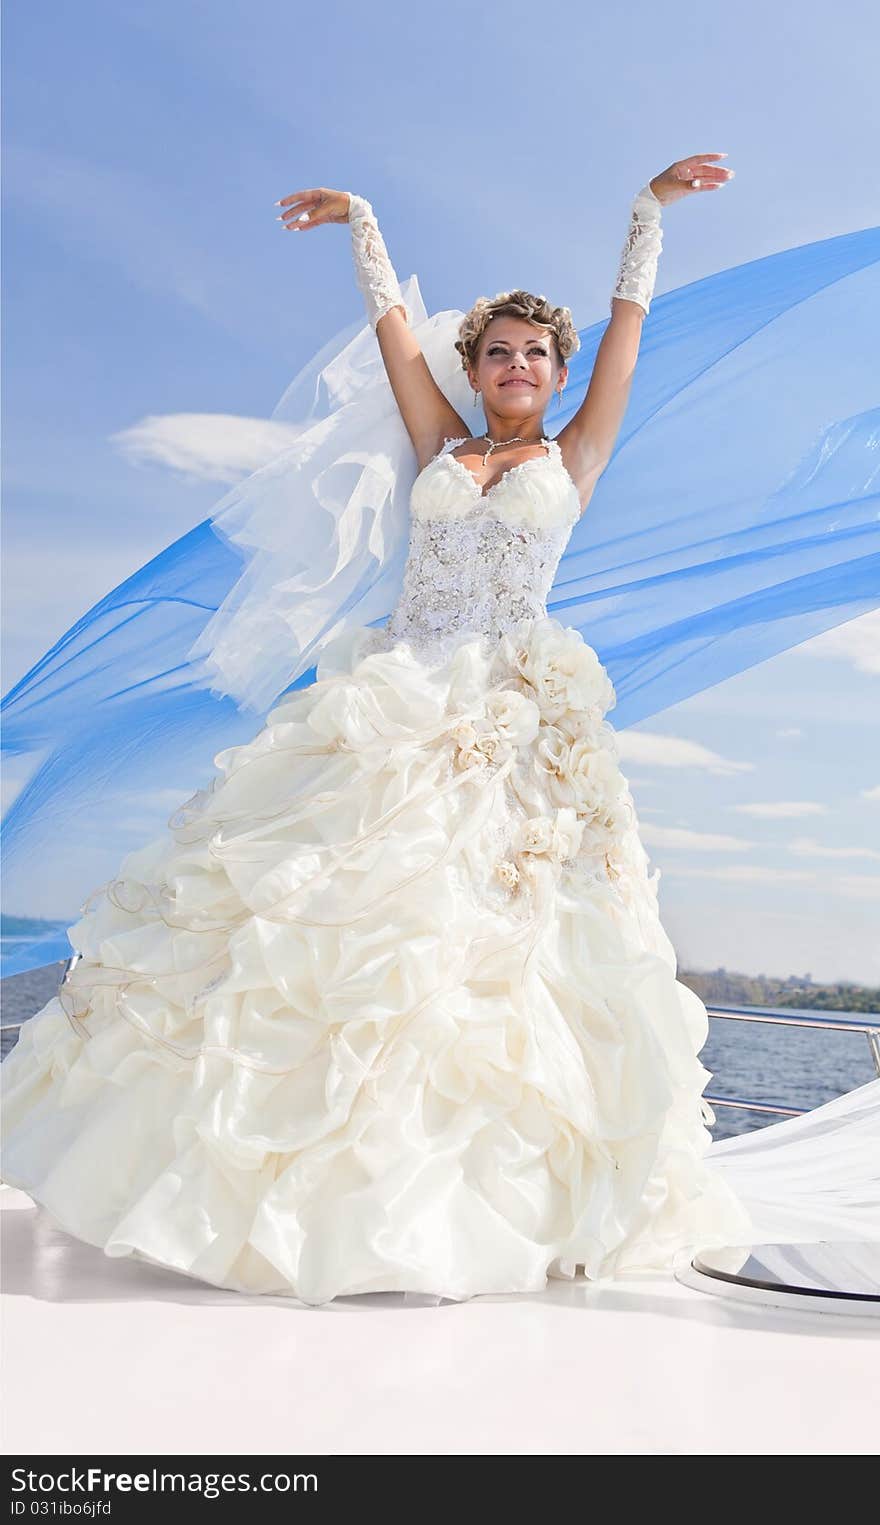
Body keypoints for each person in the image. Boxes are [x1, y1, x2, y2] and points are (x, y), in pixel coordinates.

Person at [2, 158, 877, 1306]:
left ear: (557, 375)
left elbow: (628, 332)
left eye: (535, 353)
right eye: (498, 350)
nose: (518, 365)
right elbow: (391, 336)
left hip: (510, 712)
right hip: (390, 696)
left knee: (483, 948)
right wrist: (362, 226)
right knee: (313, 926)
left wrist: (644, 217)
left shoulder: (576, 452)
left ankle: (473, 1201)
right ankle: (260, 1183)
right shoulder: (441, 448)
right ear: (473, 369)